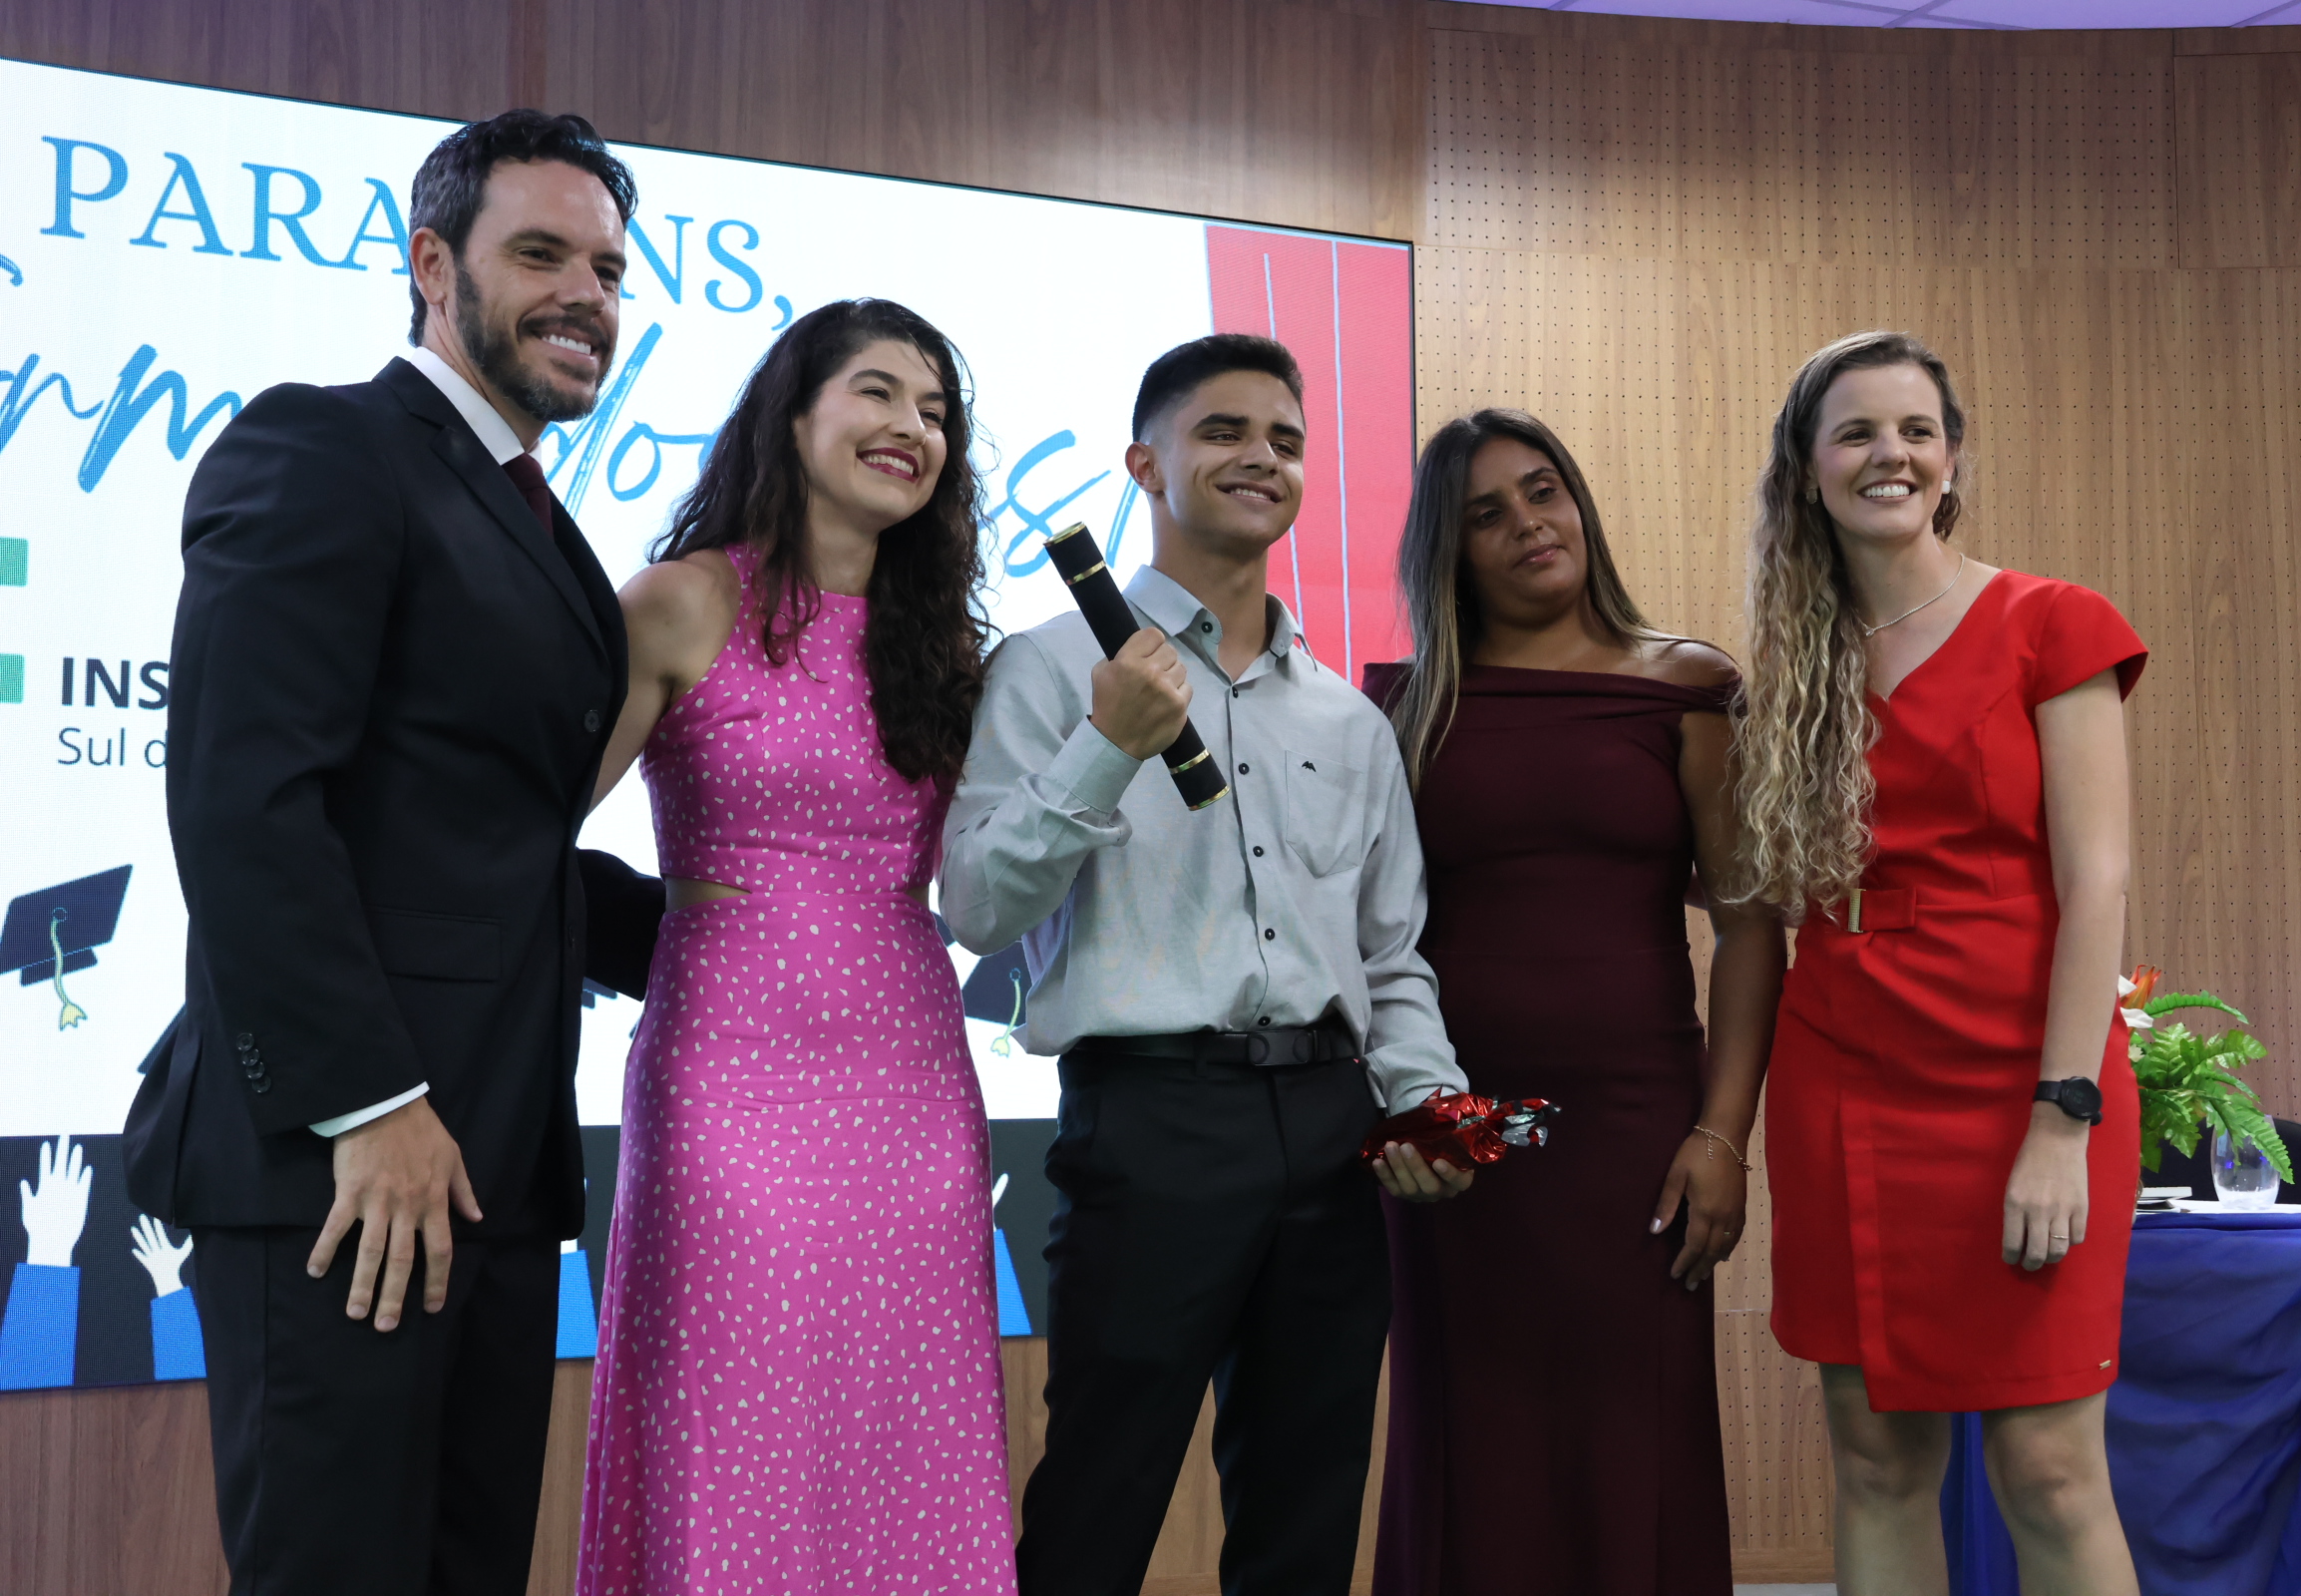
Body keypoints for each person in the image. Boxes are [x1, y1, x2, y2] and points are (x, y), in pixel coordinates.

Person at [120, 111, 636, 1594]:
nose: (583, 296)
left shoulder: (534, 516)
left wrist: (754, 924)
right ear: (432, 265)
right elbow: (245, 800)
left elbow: (488, 843)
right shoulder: (326, 444)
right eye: (539, 254)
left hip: (498, 1176)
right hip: (344, 1171)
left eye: (608, 270)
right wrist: (370, 1103)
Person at [941, 332, 1473, 1596]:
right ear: (1146, 464)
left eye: (1286, 440)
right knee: (1099, 1497)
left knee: (1307, 1509)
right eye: (1224, 430)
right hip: (1151, 1122)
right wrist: (1108, 742)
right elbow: (978, 906)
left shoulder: (1346, 717)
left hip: (1333, 1126)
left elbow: (1389, 952)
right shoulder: (1049, 667)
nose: (1261, 457)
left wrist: (1432, 1100)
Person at [575, 298, 1015, 1593]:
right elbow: (515, 832)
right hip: (730, 1069)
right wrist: (665, 940)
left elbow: (994, 880)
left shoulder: (946, 651)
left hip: (915, 1077)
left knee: (908, 1432)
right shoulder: (680, 602)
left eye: (936, 410)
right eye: (878, 391)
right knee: (735, 1417)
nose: (911, 426)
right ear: (795, 412)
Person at [1733, 331, 2144, 1594]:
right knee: (1875, 1456)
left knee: (2049, 1465)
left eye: (1916, 430)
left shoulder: (2051, 623)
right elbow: (1761, 894)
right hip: (1842, 1071)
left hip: (2025, 1076)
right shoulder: (1791, 667)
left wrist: (2062, 1119)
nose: (1890, 454)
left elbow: (2098, 885)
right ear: (1809, 468)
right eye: (1856, 432)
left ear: (1953, 457)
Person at [1363, 410, 1782, 1595]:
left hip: (1634, 1122)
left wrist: (1724, 1135)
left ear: (1579, 502)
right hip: (1455, 1114)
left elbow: (1750, 923)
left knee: (1630, 1419)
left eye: (1542, 491)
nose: (1527, 525)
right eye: (1486, 514)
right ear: (1449, 550)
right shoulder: (1403, 706)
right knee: (1469, 1423)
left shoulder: (1688, 686)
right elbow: (1366, 933)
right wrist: (1405, 1111)